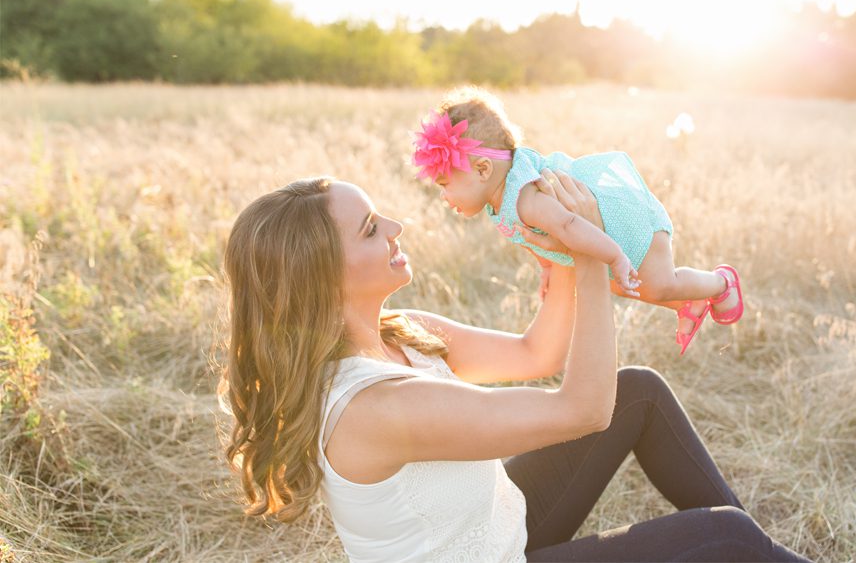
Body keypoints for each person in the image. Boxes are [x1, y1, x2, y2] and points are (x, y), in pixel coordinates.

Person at [219, 173, 810, 562]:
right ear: (323, 275)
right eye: (372, 230)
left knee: (640, 394)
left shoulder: (402, 332)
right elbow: (580, 410)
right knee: (723, 535)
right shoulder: (375, 407)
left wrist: (556, 258)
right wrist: (590, 256)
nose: (397, 229)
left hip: (500, 534)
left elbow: (537, 355)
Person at [412, 86, 742, 354]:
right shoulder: (498, 199)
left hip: (627, 222)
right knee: (626, 286)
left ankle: (720, 283)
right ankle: (689, 302)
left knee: (656, 283)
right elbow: (530, 236)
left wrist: (615, 256)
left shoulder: (527, 197)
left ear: (483, 169)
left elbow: (569, 225)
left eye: (445, 185)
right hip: (608, 232)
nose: (444, 197)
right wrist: (547, 267)